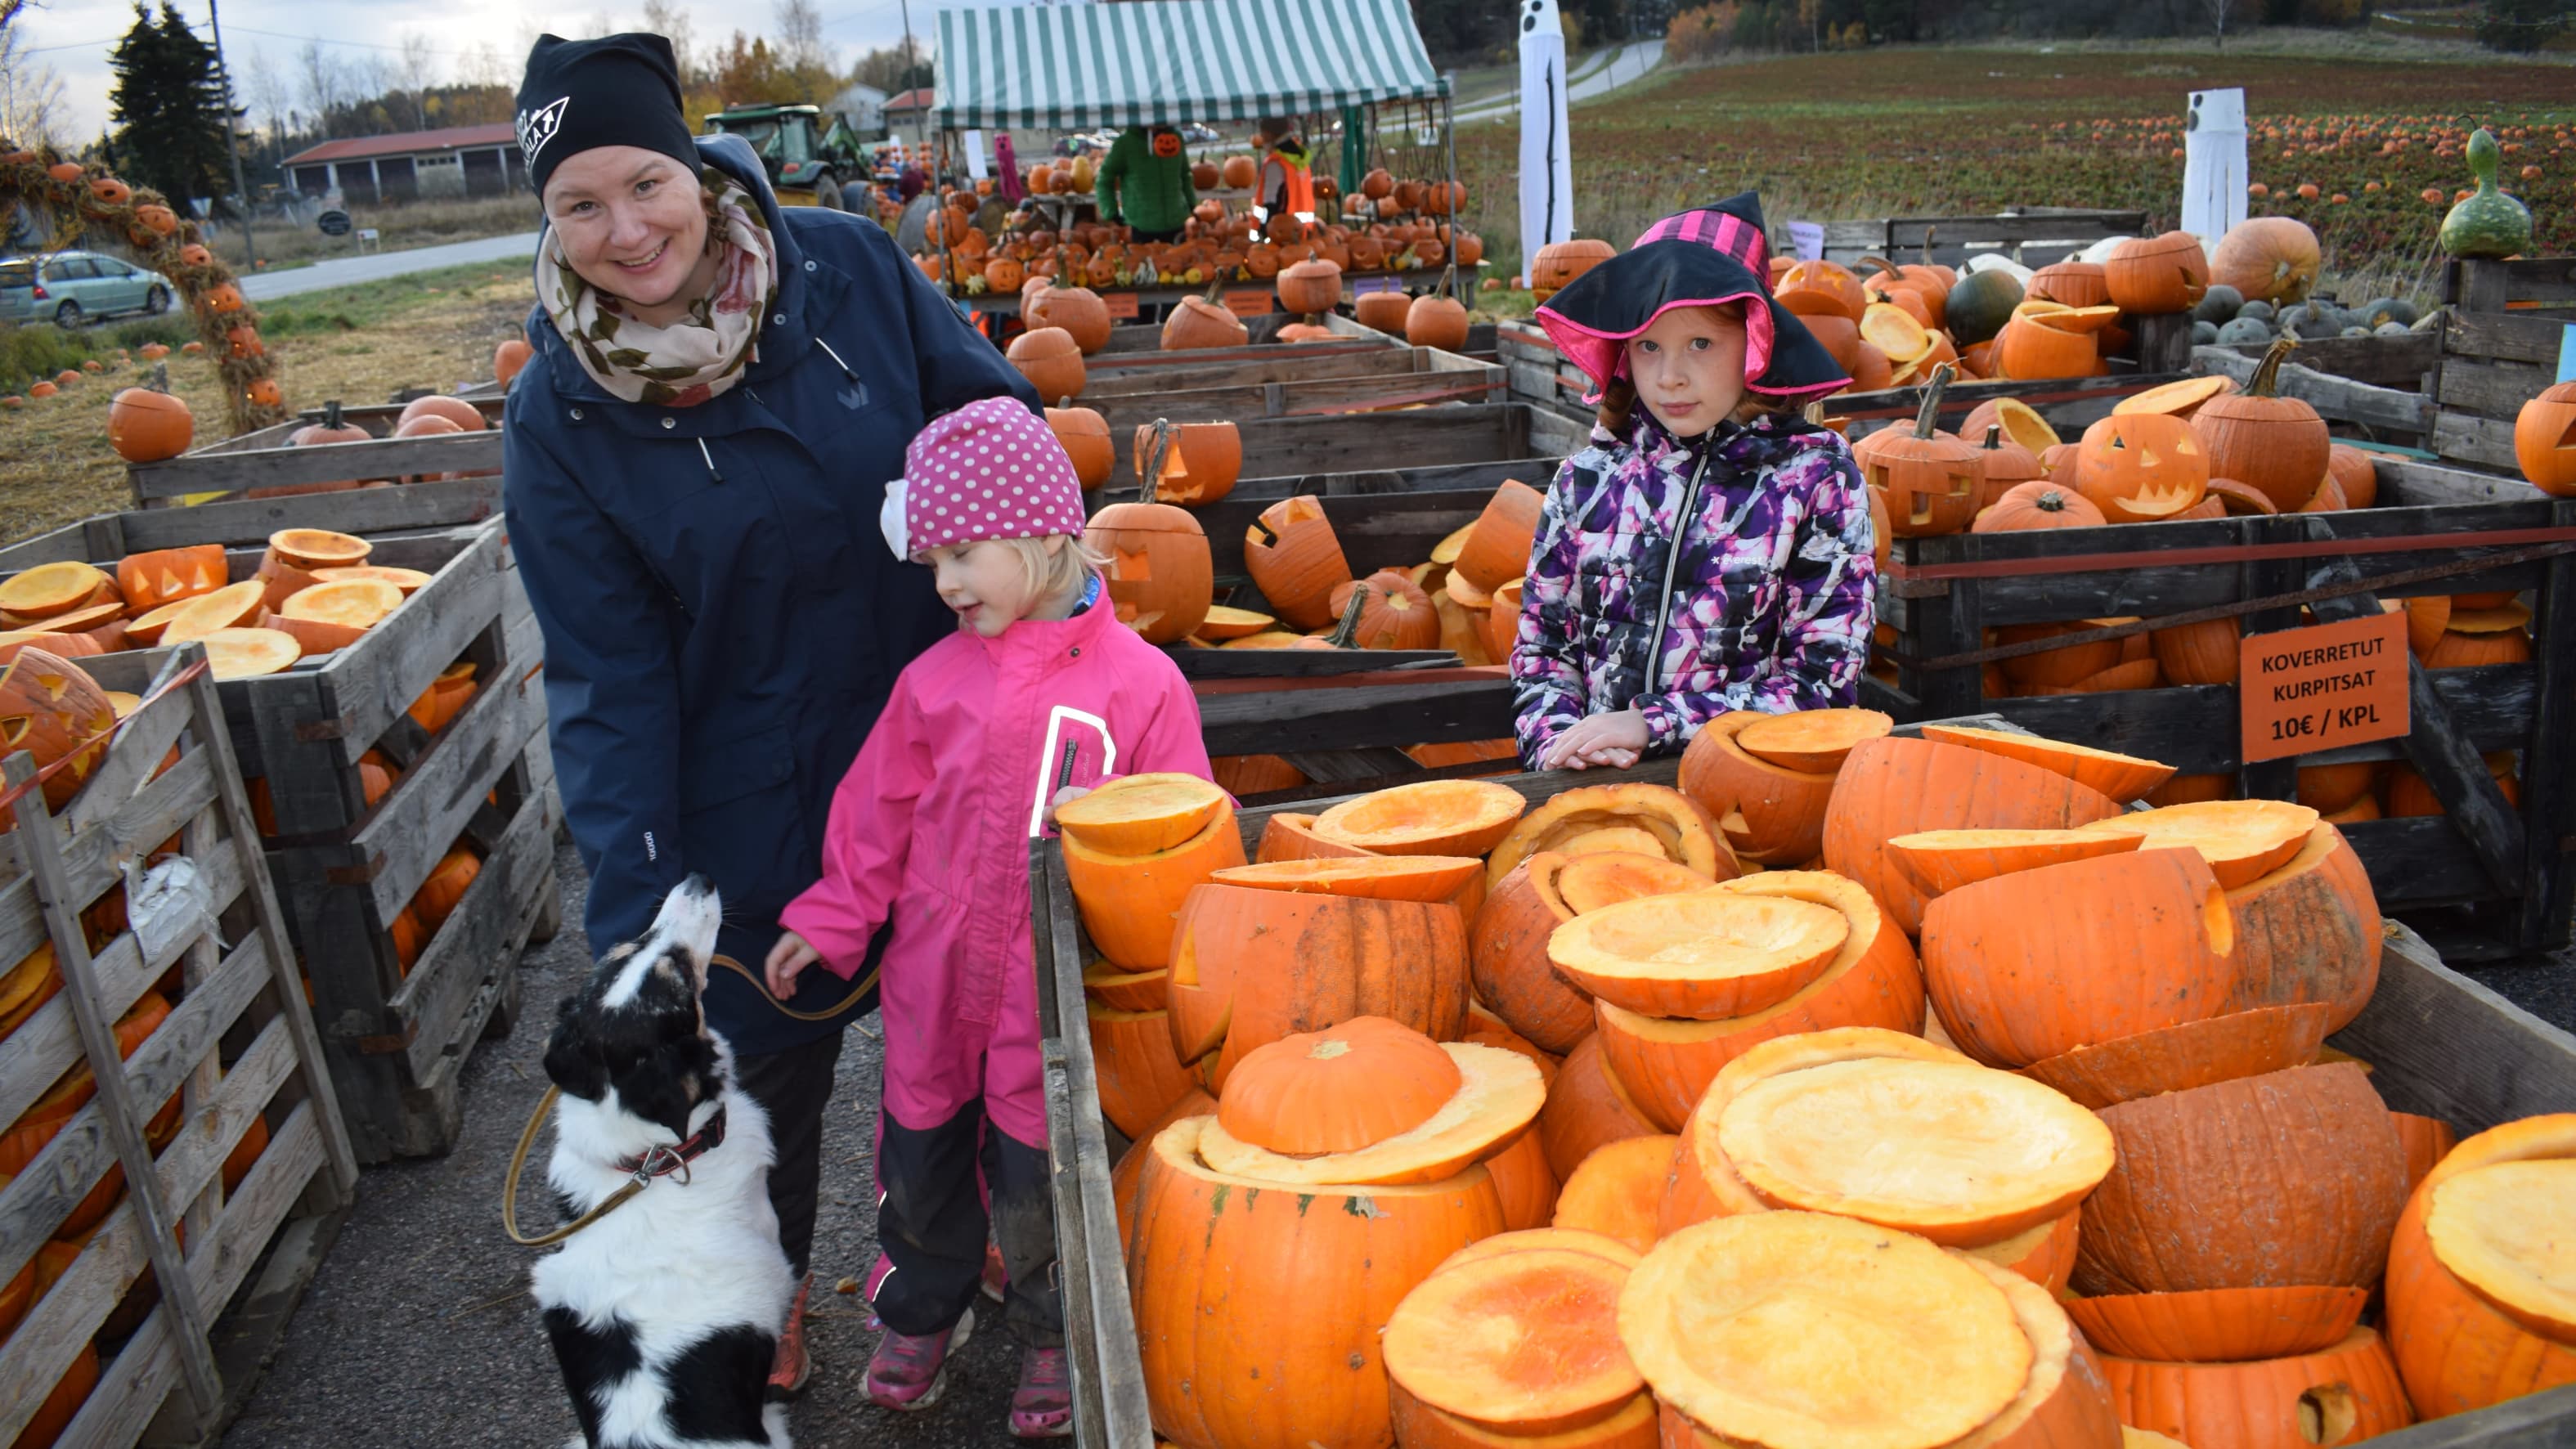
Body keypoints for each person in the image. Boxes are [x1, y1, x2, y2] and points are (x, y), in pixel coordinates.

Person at [500, 30, 1041, 1401]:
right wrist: (637, 908)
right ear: (547, 219)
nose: (625, 231)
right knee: (756, 1077)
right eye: (578, 204)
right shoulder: (559, 412)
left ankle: (980, 1235)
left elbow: (997, 418)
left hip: (946, 729)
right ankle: (768, 1281)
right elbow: (604, 673)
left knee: (980, 1015)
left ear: (690, 163)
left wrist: (1009, 579)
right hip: (743, 778)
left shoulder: (843, 269)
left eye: (644, 184)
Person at [764, 397, 1214, 1437]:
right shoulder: (934, 682)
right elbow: (872, 814)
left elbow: (1186, 821)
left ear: (1049, 534)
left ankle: (1059, 1326)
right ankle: (923, 1305)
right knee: (916, 1158)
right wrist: (833, 918)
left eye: (964, 553)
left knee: (1044, 1169)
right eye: (932, 561)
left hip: (1049, 998)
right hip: (931, 984)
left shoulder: (1141, 686)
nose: (946, 583)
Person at [1514, 193, 1874, 773]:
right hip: (1596, 788)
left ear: (1755, 343)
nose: (1670, 377)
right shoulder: (1584, 483)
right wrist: (1561, 746)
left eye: (1700, 344)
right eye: (1649, 346)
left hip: (1751, 793)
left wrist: (1652, 723)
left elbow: (1822, 685)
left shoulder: (1815, 480)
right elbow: (1543, 651)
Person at [1093, 123, 1196, 244]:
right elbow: (1104, 179)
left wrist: (1190, 202)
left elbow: (1185, 173)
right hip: (1142, 226)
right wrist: (1111, 212)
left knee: (1178, 260)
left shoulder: (1175, 139)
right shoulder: (1126, 143)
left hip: (1176, 221)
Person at [1253, 115, 1316, 223]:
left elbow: (1270, 200)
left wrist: (1264, 228)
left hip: (1281, 230)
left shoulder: (1276, 163)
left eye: (1262, 133)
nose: (1261, 138)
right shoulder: (1302, 160)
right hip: (1304, 229)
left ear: (1269, 133)